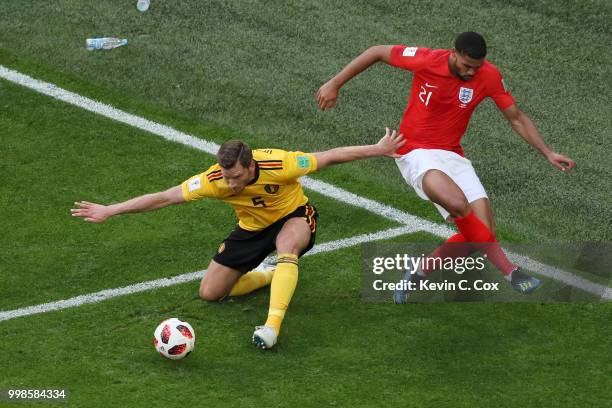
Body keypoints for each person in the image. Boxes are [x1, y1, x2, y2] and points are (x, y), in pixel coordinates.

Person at [71, 129, 405, 348]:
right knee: (211, 293)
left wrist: (378, 149)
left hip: (293, 217)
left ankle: (271, 327)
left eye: (235, 177)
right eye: (225, 177)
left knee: (288, 246)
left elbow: (330, 155)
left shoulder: (281, 164)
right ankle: (271, 273)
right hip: (251, 229)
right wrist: (111, 209)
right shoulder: (214, 180)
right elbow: (164, 197)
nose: (229, 184)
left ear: (249, 165)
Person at [316, 32, 575, 299]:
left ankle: (416, 274)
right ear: (454, 52)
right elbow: (378, 50)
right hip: (414, 151)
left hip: (452, 154)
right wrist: (335, 83)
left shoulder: (488, 75)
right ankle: (511, 271)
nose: (471, 72)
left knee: (482, 234)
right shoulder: (427, 60)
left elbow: (516, 117)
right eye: (466, 66)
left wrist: (547, 152)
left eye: (476, 67)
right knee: (457, 203)